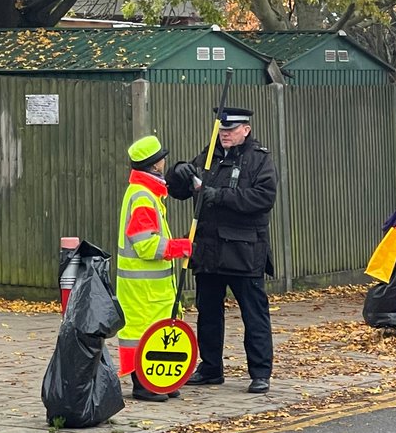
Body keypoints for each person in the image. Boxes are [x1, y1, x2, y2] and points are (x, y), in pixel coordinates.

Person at [167, 107, 276, 393]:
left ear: (246, 130)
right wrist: (179, 171)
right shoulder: (207, 157)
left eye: (231, 130)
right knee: (208, 312)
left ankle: (260, 372)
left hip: (244, 250)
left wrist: (221, 196)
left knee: (254, 313)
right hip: (209, 249)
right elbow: (178, 190)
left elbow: (263, 198)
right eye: (222, 129)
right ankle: (211, 367)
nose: (225, 134)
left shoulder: (259, 160)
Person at [116, 136, 193, 402]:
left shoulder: (148, 194)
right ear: (155, 166)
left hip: (151, 289)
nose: (165, 162)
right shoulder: (143, 198)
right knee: (142, 333)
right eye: (162, 159)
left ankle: (159, 380)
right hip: (142, 289)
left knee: (158, 330)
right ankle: (144, 384)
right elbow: (145, 245)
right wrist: (178, 247)